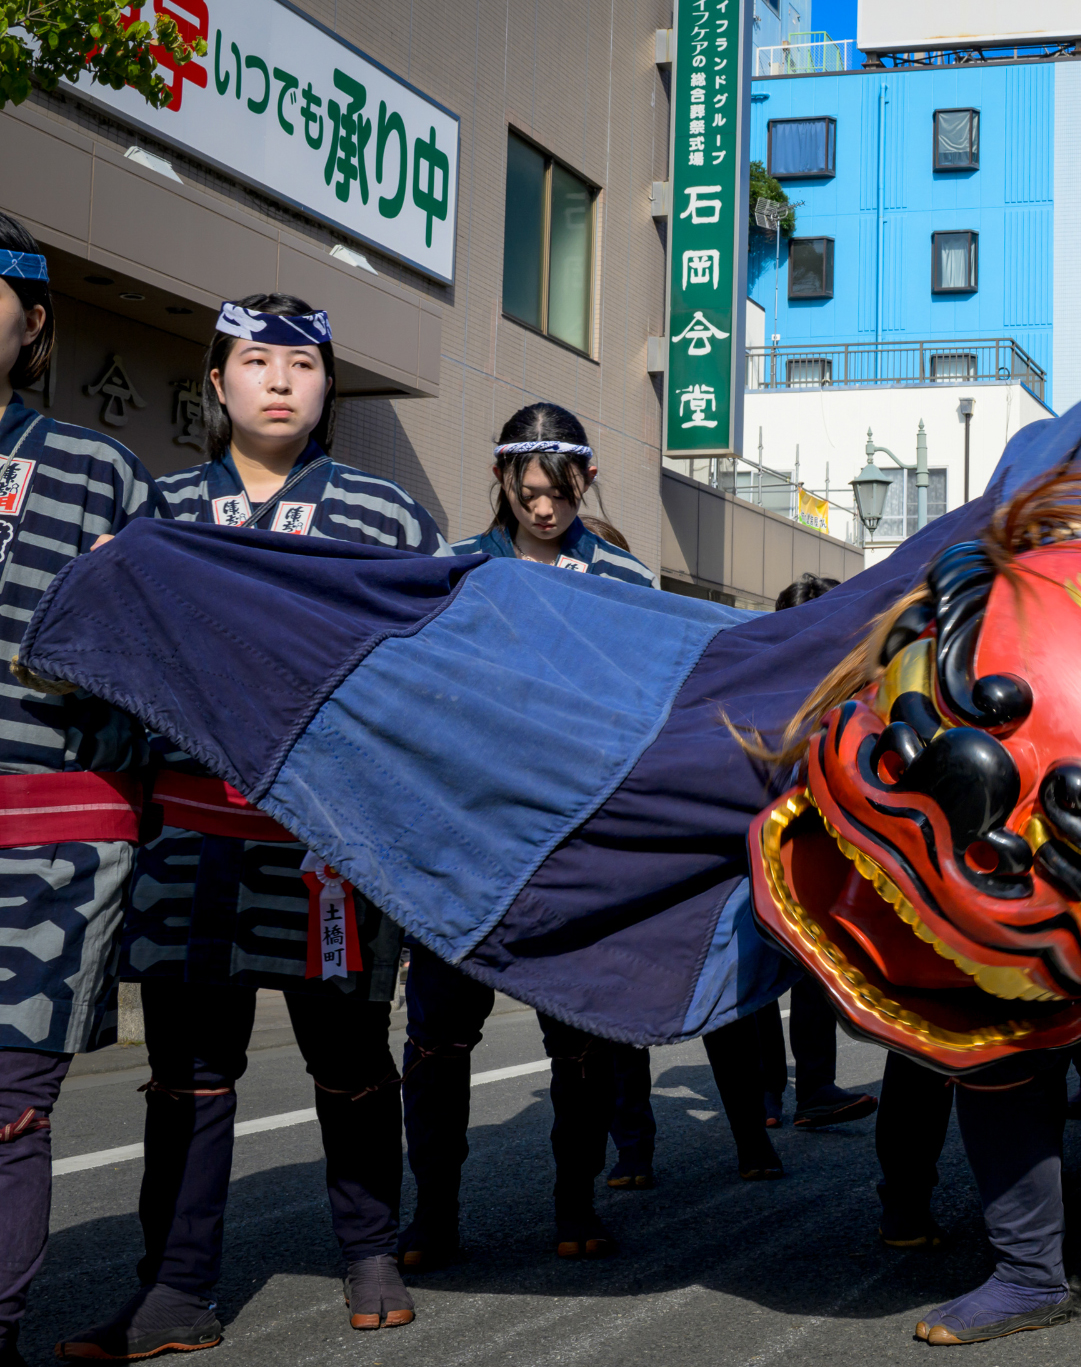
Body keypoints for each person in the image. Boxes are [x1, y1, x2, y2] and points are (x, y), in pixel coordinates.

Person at [59, 295, 451, 1360]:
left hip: (330, 839)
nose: (280, 381)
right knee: (187, 1071)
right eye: (256, 362)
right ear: (216, 382)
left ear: (329, 387)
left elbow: (431, 665)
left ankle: (369, 1252)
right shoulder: (161, 509)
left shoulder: (384, 515)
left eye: (303, 365)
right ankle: (175, 1287)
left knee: (350, 1055)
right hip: (189, 837)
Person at [399, 403, 666, 1269]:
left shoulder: (626, 579)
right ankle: (434, 1212)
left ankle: (576, 1201)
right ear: (501, 480)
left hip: (576, 842)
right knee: (438, 1040)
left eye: (561, 492)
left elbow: (651, 705)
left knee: (580, 1043)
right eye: (528, 493)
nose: (545, 508)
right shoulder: (455, 569)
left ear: (587, 480)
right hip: (463, 840)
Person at [0, 215, 162, 1367]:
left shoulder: (102, 474)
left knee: (8, 1102)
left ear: (34, 323)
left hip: (46, 830)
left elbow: (171, 664)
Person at [758, 575, 878, 1132]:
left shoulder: (847, 681)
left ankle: (807, 1090)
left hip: (818, 839)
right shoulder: (768, 680)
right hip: (770, 838)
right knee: (765, 970)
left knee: (809, 967)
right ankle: (772, 1092)